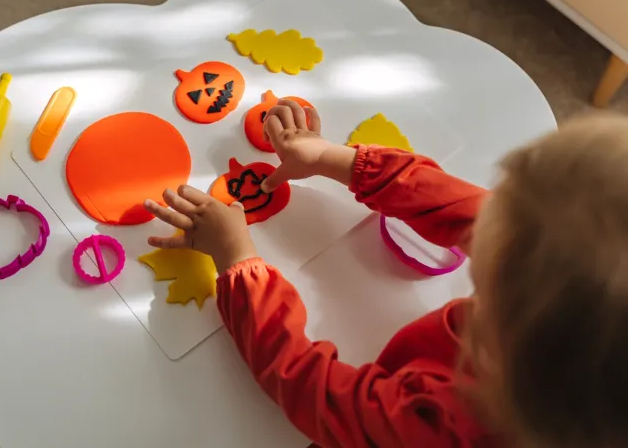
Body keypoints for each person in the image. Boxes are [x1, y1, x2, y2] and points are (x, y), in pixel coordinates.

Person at [143, 100, 628, 448]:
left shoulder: (442, 424)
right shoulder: (573, 306)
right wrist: (335, 158)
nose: (484, 217)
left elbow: (312, 392)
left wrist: (237, 260)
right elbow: (465, 210)